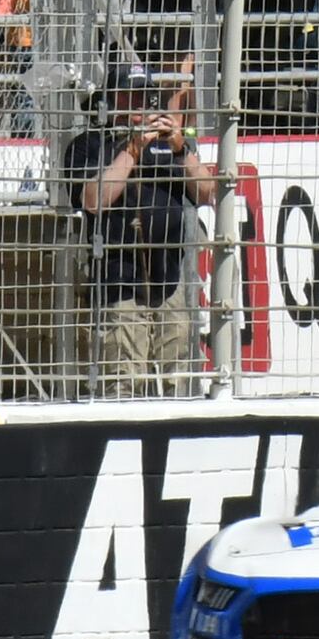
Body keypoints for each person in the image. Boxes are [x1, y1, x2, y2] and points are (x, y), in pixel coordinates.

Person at [57, 64, 216, 396]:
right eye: (130, 96)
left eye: (144, 96)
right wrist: (131, 150)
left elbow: (206, 192)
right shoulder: (90, 144)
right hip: (119, 280)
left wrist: (180, 147)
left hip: (170, 278)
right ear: (111, 99)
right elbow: (93, 199)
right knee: (123, 378)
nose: (139, 104)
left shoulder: (170, 145)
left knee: (181, 375)